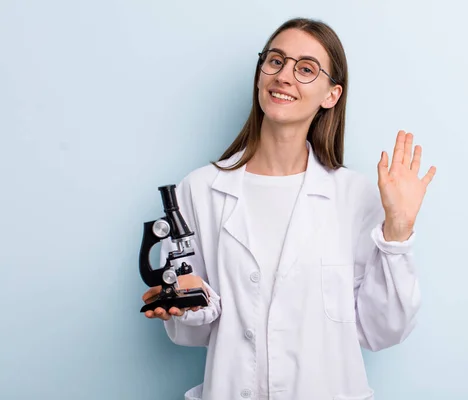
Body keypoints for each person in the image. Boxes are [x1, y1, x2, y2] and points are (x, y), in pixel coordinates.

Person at [142, 17, 436, 400]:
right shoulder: (199, 190)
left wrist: (398, 230)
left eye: (306, 69)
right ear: (260, 74)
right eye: (276, 61)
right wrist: (187, 303)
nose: (284, 76)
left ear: (331, 95)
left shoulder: (354, 196)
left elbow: (382, 330)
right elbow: (190, 333)